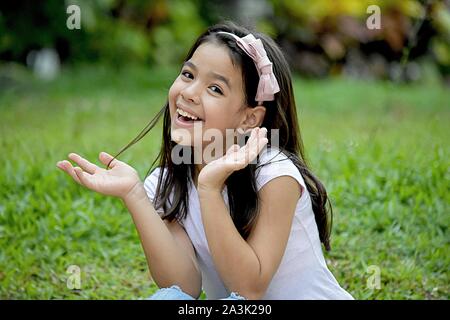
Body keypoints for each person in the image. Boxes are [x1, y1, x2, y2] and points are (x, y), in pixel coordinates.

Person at [56, 21, 353, 300]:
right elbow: (183, 286)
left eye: (215, 88)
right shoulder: (166, 184)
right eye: (188, 74)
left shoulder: (274, 175)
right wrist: (134, 195)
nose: (190, 93)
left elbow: (249, 290)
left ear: (249, 118)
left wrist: (210, 188)